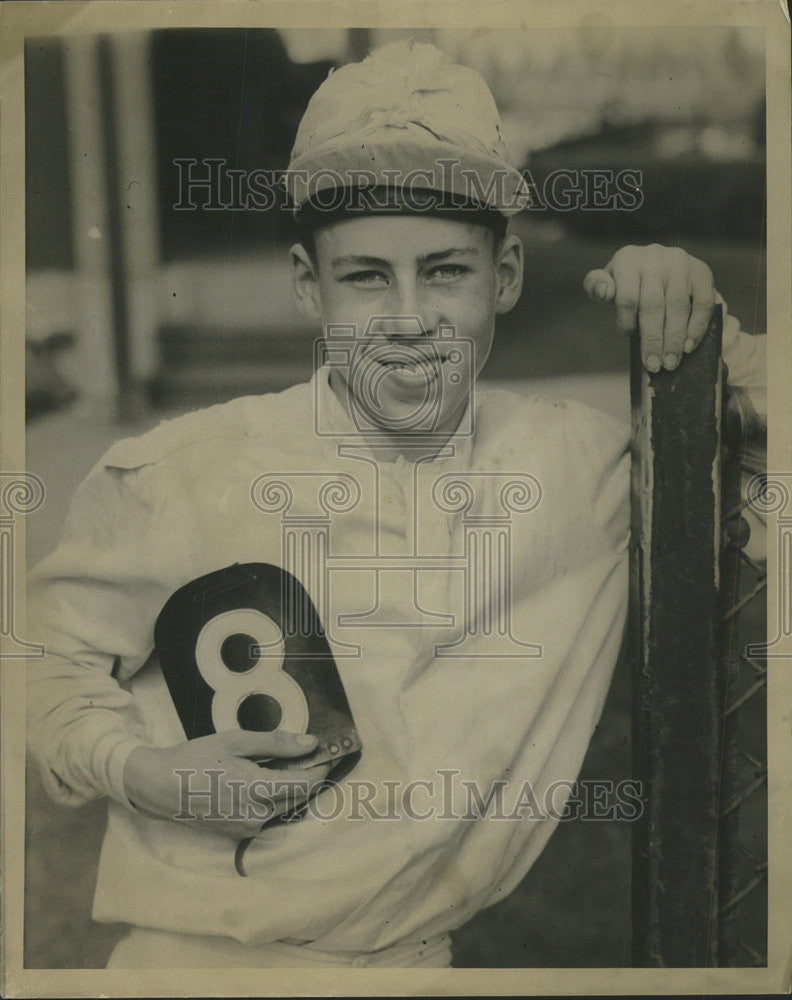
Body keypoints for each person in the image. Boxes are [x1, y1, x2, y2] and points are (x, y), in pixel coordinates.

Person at [26, 39, 766, 969]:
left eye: (447, 271)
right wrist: (140, 770)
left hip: (411, 965)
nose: (408, 317)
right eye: (367, 276)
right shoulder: (184, 472)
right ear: (309, 285)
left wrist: (708, 336)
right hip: (191, 965)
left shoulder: (578, 470)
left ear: (506, 279)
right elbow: (39, 662)